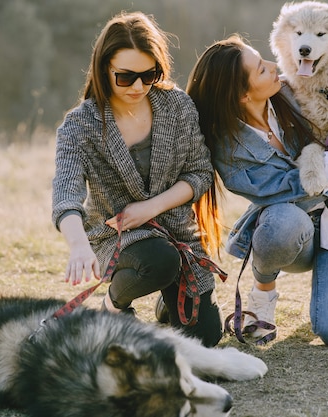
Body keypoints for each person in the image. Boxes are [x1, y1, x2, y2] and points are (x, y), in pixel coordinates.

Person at [187, 35, 328, 346]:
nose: (273, 67)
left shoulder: (294, 90)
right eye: (261, 70)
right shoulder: (229, 152)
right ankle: (262, 297)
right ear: (242, 95)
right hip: (292, 229)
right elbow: (302, 189)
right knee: (281, 221)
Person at [51, 12, 223, 347]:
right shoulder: (81, 124)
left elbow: (200, 172)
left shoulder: (177, 106)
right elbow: (65, 194)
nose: (139, 87)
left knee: (205, 339)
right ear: (105, 69)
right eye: (126, 77)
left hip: (178, 234)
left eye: (149, 75)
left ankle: (167, 299)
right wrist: (78, 246)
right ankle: (112, 307)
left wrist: (150, 208)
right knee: (158, 260)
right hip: (117, 238)